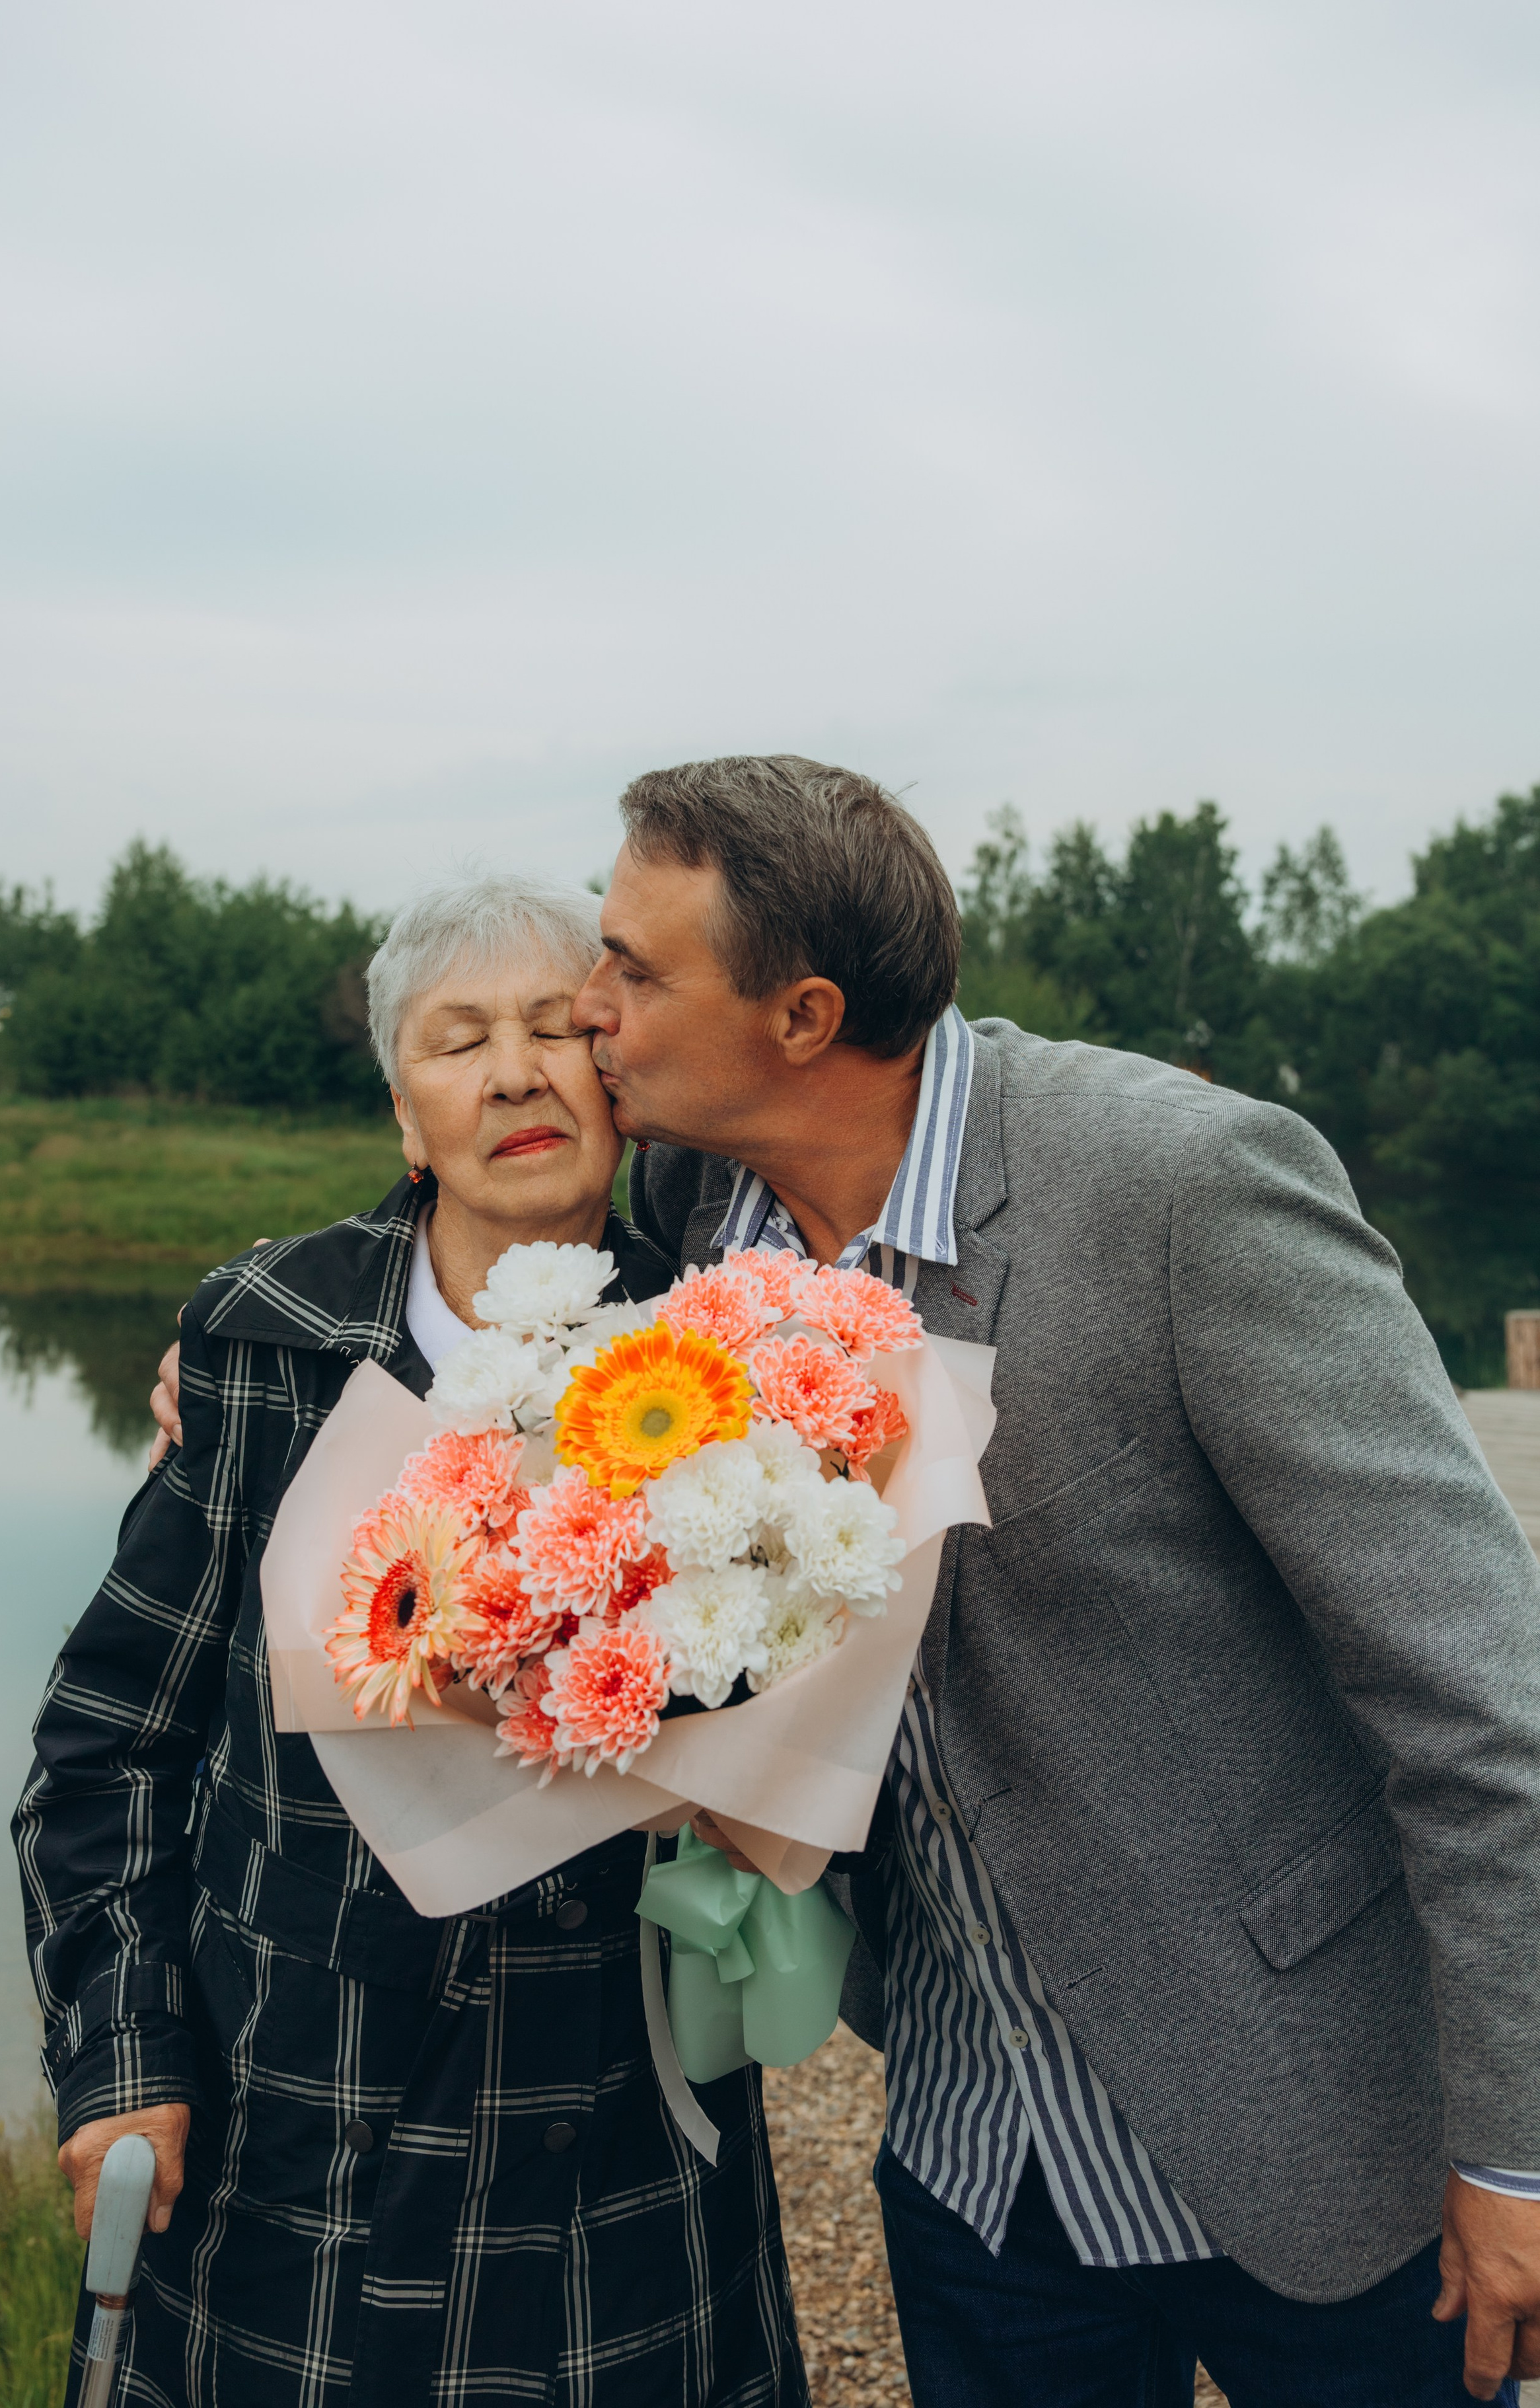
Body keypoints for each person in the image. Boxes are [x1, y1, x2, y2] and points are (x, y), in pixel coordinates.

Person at [558, 753, 1540, 2408]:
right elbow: (465, 1267)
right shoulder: (682, 1212)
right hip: (971, 2150)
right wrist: (241, 1356)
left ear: (801, 1018)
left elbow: (1480, 1704)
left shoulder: (1185, 1190)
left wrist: (1515, 2154)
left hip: (1317, 2131)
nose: (586, 1008)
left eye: (632, 971)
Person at [15, 874, 808, 2408]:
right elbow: (108, 1742)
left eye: (552, 1028)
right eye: (458, 1042)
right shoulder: (265, 1344)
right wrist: (124, 2064)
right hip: (294, 2141)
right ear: (404, 1116)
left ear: (618, 1077)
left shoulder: (730, 1353)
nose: (512, 1072)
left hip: (619, 2147)